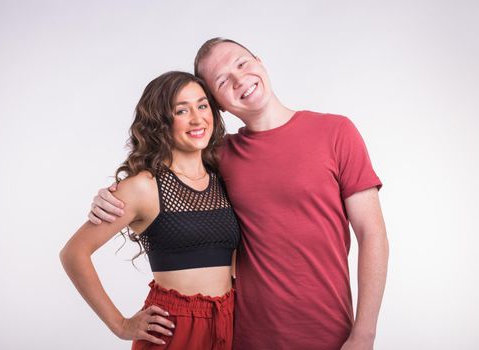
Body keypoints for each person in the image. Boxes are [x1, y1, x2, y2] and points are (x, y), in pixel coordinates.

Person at [89, 38, 389, 350]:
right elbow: (167, 170)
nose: (239, 78)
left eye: (242, 63)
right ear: (217, 103)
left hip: (331, 334)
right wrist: (111, 197)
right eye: (222, 80)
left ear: (259, 61)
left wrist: (364, 334)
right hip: (242, 336)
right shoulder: (219, 156)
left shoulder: (336, 132)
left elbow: (372, 233)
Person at [60, 71, 241, 350]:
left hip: (230, 320)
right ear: (161, 122)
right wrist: (120, 325)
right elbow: (74, 253)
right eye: (182, 110)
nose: (197, 118)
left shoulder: (225, 177)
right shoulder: (143, 187)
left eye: (202, 105)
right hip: (173, 327)